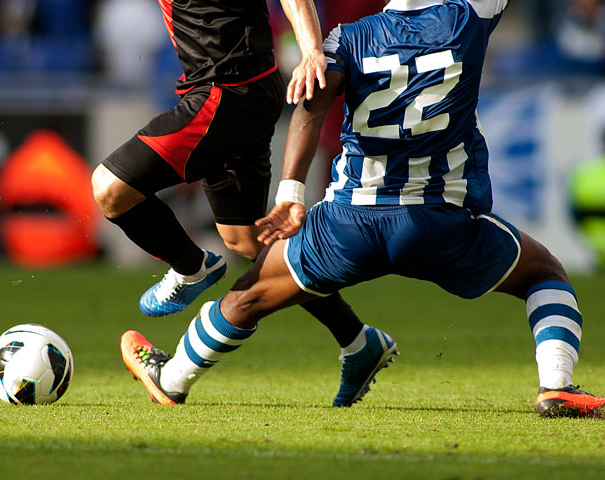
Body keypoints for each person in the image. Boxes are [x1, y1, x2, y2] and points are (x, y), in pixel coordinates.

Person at [120, 0, 605, 417]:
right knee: (546, 275)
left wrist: (291, 192)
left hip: (350, 224)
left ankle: (174, 378)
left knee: (247, 297)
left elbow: (310, 104)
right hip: (438, 224)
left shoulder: (349, 37)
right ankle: (556, 385)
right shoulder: (466, 18)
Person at [92, 0, 381, 400]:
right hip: (240, 90)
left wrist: (311, 49)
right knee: (248, 242)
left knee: (110, 188)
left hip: (225, 94)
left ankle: (191, 267)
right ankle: (358, 340)